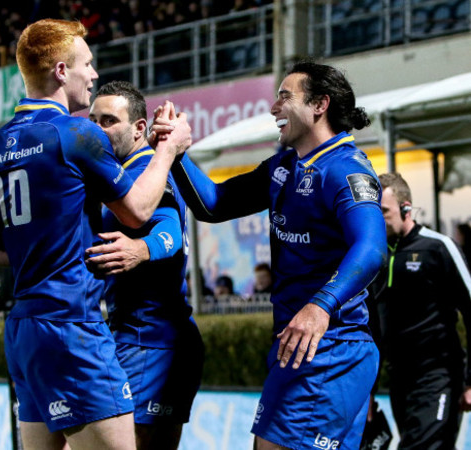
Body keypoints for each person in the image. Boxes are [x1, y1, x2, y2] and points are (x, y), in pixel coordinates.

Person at [0, 19, 192, 450]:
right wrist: (169, 148)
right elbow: (140, 211)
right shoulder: (76, 132)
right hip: (73, 325)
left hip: (23, 329)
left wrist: (40, 252)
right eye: (88, 64)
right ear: (62, 71)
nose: (95, 73)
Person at [160, 60, 387, 449]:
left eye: (285, 96)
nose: (273, 107)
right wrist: (176, 154)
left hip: (331, 348)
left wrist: (320, 306)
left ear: (320, 105)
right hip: (299, 348)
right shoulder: (284, 166)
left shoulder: (345, 169)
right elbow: (213, 204)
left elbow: (371, 249)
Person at [85, 80, 204, 450]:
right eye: (93, 120)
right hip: (137, 338)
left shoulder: (144, 172)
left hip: (150, 342)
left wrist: (141, 248)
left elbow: (168, 226)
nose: (97, 129)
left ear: (139, 128)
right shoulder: (117, 174)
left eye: (109, 120)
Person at [368, 172, 471, 449]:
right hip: (399, 379)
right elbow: (372, 329)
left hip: (439, 376)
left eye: (384, 211)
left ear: (406, 208)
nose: (377, 218)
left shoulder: (438, 247)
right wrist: (368, 391)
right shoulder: (374, 255)